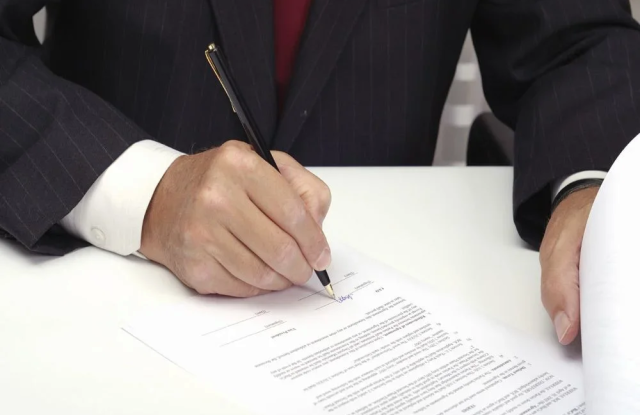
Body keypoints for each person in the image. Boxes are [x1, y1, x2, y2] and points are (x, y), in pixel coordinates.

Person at [1, 0, 638, 347]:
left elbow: (579, 40)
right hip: (90, 303)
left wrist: (594, 191)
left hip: (380, 296)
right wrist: (147, 192)